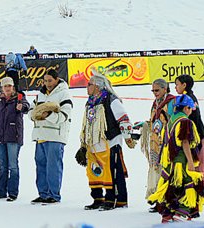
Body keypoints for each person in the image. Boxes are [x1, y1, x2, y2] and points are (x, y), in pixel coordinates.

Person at [75, 68, 136, 211]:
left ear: (98, 86)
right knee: (93, 171)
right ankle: (98, 198)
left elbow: (124, 118)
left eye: (89, 84)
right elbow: (87, 123)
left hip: (110, 142)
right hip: (93, 144)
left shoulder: (110, 99)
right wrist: (84, 142)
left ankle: (113, 199)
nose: (87, 87)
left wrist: (128, 137)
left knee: (112, 172)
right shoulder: (90, 102)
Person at [147, 94, 204, 223]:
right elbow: (185, 142)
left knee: (171, 185)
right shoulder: (185, 121)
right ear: (186, 108)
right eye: (190, 109)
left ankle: (168, 214)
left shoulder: (171, 121)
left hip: (170, 162)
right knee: (187, 184)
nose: (191, 112)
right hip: (181, 162)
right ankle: (182, 212)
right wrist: (191, 162)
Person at [28, 69, 72, 205]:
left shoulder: (63, 93)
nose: (47, 83)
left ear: (57, 79)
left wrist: (49, 115)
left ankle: (54, 195)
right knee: (40, 166)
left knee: (53, 166)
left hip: (55, 136)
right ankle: (43, 193)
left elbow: (65, 116)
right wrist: (34, 115)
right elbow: (31, 110)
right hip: (40, 136)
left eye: (50, 80)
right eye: (45, 81)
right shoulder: (40, 94)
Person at [135, 79, 175, 213]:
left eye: (157, 90)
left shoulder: (171, 102)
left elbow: (173, 122)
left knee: (166, 171)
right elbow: (154, 121)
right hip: (155, 143)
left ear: (165, 89)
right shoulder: (155, 103)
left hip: (166, 143)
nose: (154, 93)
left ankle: (167, 201)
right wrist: (145, 124)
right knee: (156, 170)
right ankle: (158, 200)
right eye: (153, 90)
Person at [0, 77, 30, 202]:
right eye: (5, 86)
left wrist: (21, 107)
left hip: (13, 138)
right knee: (3, 166)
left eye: (9, 86)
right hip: (0, 138)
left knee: (13, 166)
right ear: (2, 88)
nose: (7, 88)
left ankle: (13, 192)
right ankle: (1, 192)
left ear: (13, 87)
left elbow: (26, 107)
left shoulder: (19, 100)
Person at [174, 74, 204, 191]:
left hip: (196, 137)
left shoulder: (187, 100)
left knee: (196, 166)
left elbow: (193, 120)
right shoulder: (188, 97)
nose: (175, 87)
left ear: (184, 85)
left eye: (177, 85)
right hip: (195, 136)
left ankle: (198, 194)